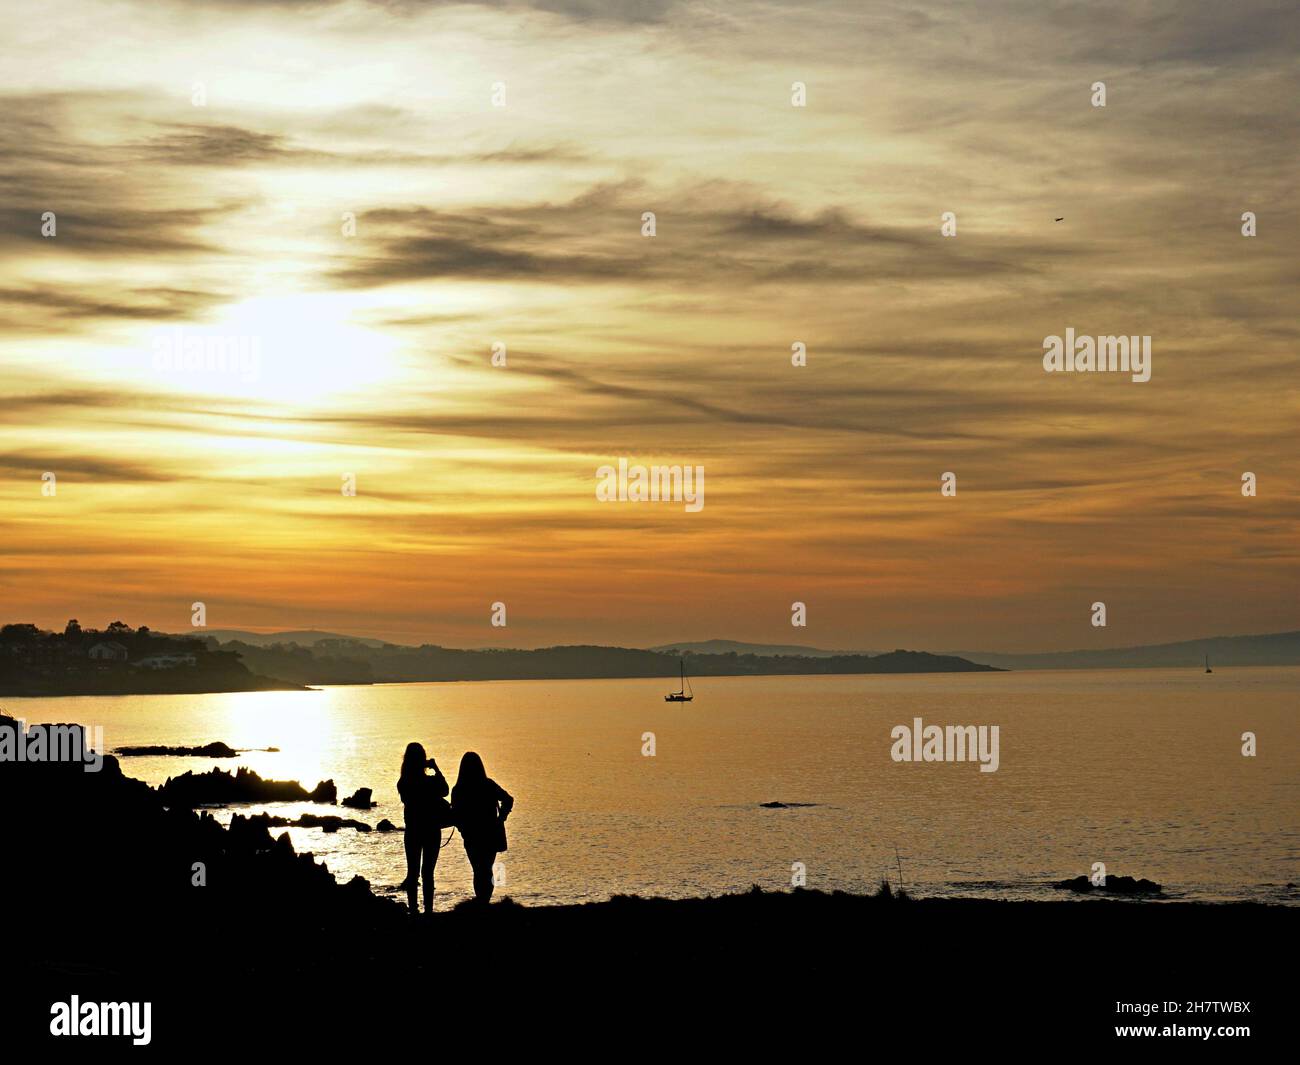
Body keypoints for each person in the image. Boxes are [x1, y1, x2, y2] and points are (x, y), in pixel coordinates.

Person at [451, 752, 513, 904]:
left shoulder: (458, 789)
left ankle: (482, 901)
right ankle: (484, 901)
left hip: (471, 835)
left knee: (479, 870)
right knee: (486, 869)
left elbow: (456, 814)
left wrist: (461, 828)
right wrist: (501, 818)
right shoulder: (488, 784)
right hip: (490, 832)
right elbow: (508, 799)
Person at [397, 742, 449, 915]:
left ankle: (413, 910)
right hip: (431, 830)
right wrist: (435, 768)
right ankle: (428, 911)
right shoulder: (430, 782)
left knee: (413, 873)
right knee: (428, 873)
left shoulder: (403, 783)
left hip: (413, 830)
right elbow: (445, 790)